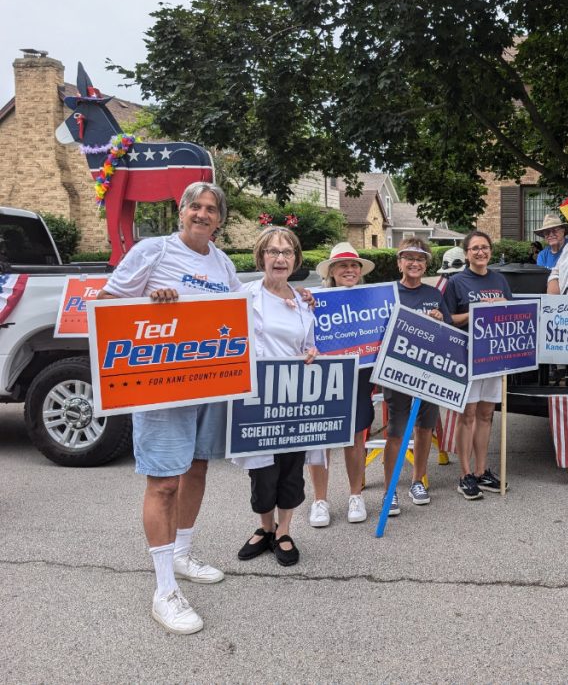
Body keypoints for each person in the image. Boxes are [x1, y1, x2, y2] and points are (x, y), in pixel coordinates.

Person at [97, 181, 239, 635]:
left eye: (211, 209)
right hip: (161, 387)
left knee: (197, 468)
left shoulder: (222, 263)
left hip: (209, 384)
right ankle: (164, 591)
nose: (202, 214)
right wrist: (149, 305)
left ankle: (182, 554)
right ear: (181, 211)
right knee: (163, 483)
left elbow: (241, 311)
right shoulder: (153, 251)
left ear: (219, 220)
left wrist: (298, 297)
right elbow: (106, 305)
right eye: (195, 206)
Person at [236, 227, 317, 567]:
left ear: (295, 260)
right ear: (261, 257)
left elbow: (309, 344)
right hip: (258, 398)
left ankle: (284, 530)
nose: (280, 258)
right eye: (273, 251)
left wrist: (312, 351)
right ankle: (264, 527)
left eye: (287, 252)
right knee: (262, 470)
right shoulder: (243, 295)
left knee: (291, 466)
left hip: (294, 397)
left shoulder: (304, 303)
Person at [306, 242, 379, 524]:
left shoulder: (373, 300)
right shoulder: (314, 300)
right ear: (331, 271)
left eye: (353, 265)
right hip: (324, 376)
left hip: (360, 375)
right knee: (321, 438)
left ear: (360, 270)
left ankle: (355, 495)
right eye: (343, 266)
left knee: (356, 437)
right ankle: (319, 500)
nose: (349, 270)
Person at [442, 230, 514, 499]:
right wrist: (477, 310)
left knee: (486, 414)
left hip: (494, 354)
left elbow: (512, 314)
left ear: (490, 252)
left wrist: (504, 305)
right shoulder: (456, 282)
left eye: (484, 247)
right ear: (466, 254)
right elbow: (448, 319)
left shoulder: (499, 279)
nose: (480, 252)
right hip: (467, 354)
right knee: (468, 414)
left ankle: (481, 471)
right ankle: (465, 475)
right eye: (475, 248)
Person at [382, 237, 453, 507]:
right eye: (409, 258)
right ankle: (390, 490)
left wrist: (440, 320)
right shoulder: (388, 293)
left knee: (425, 427)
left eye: (420, 259)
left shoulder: (434, 295)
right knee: (397, 430)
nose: (415, 263)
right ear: (399, 262)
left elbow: (448, 333)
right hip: (397, 372)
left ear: (426, 264)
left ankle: (417, 481)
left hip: (428, 372)